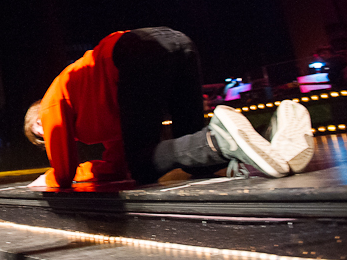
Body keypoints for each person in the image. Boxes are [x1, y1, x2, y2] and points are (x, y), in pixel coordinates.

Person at [23, 27, 315, 188]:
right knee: (193, 153)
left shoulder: (51, 104)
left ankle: (218, 137)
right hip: (177, 42)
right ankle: (271, 135)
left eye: (42, 137)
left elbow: (63, 170)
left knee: (144, 167)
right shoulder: (92, 107)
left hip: (134, 53)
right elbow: (117, 161)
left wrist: (50, 178)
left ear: (38, 126)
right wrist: (90, 171)